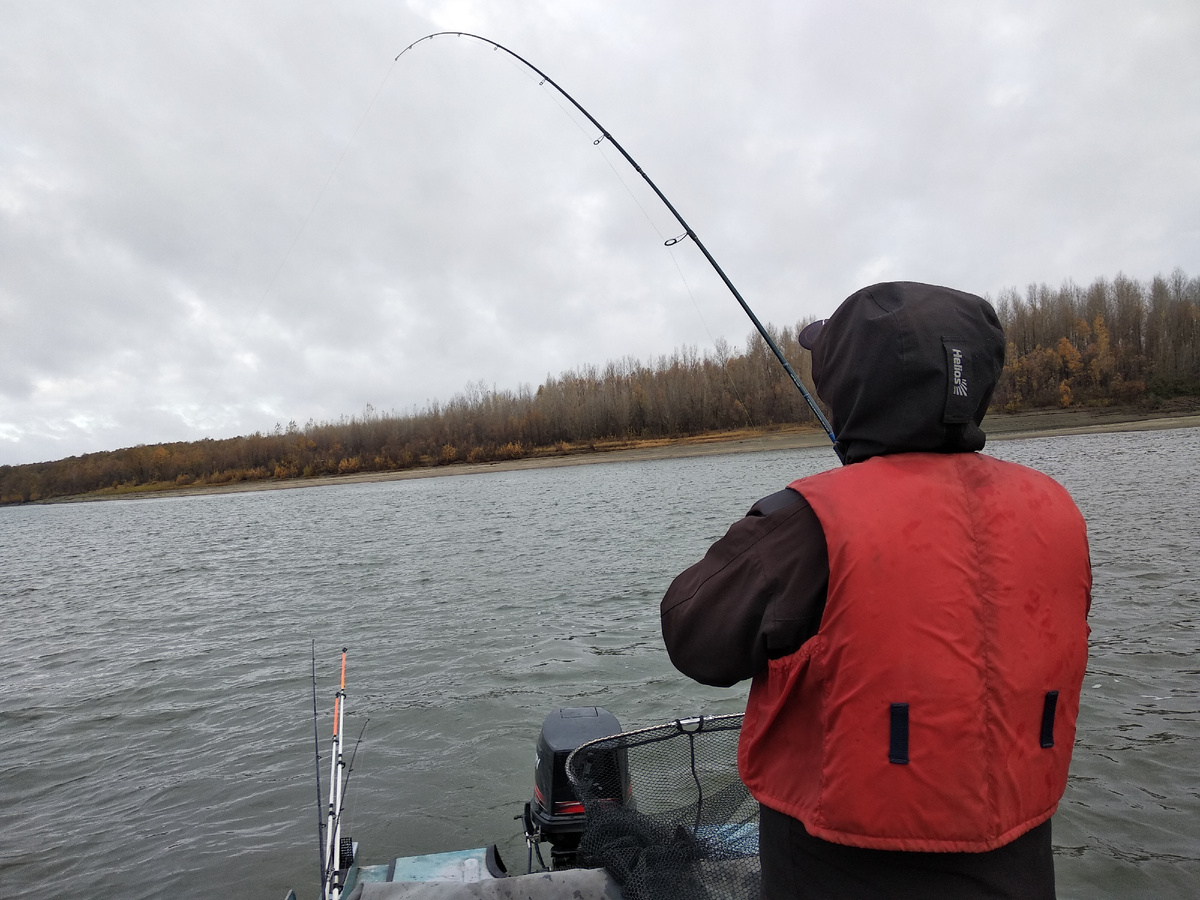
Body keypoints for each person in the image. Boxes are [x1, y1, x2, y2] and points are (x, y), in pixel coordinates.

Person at [660, 282, 1091, 900]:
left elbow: (694, 639)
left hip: (835, 868)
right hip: (1019, 867)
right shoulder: (1059, 511)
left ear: (850, 387)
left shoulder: (803, 523)